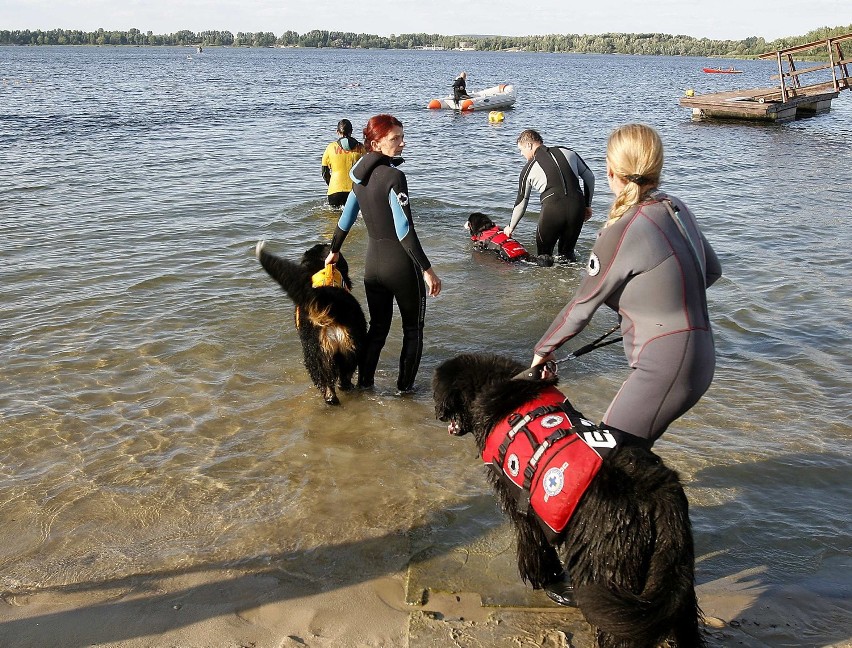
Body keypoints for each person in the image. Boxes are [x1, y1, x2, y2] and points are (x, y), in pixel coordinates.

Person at [531, 123, 722, 448]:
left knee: (607, 462)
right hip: (701, 357)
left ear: (610, 171)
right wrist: (656, 305)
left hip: (665, 367)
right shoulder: (675, 205)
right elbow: (712, 271)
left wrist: (540, 354)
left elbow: (579, 309)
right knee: (630, 461)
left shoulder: (622, 229)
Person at [325, 114, 442, 393]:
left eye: (402, 136)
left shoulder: (359, 177)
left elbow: (346, 220)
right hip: (400, 267)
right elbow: (404, 230)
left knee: (377, 330)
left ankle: (364, 386)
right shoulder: (394, 177)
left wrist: (334, 251)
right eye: (395, 138)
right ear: (375, 144)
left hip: (372, 268)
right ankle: (405, 392)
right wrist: (427, 270)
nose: (403, 143)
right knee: (413, 331)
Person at [504, 129, 595, 262]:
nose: (522, 154)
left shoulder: (528, 168)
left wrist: (511, 227)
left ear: (529, 145)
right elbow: (590, 178)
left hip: (553, 209)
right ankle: (573, 282)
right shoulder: (568, 152)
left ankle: (547, 282)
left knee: (544, 258)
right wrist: (587, 205)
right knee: (567, 255)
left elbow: (522, 203)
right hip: (577, 206)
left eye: (521, 150)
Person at [321, 119, 365, 208]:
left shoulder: (330, 147)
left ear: (337, 131)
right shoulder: (361, 148)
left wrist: (331, 185)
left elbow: (324, 173)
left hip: (334, 191)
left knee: (333, 219)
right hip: (354, 191)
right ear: (351, 131)